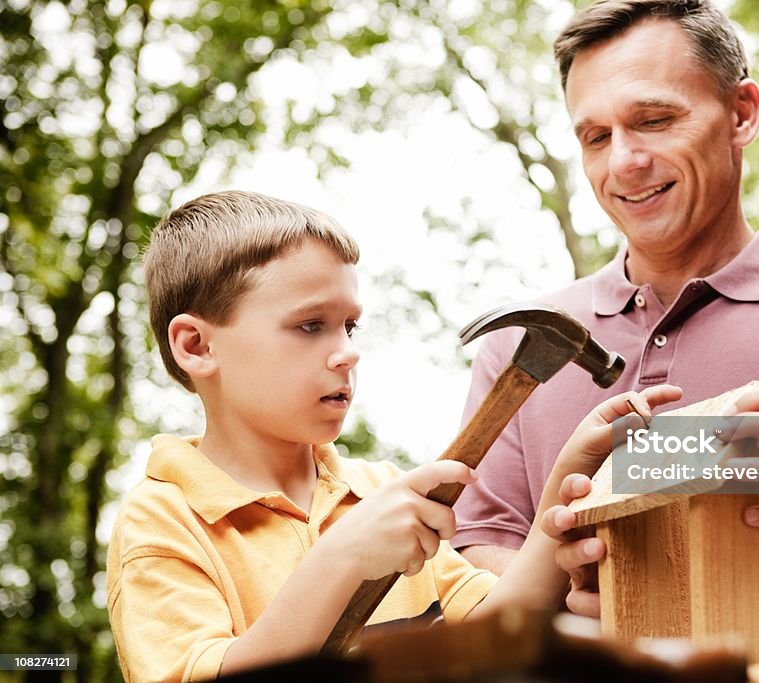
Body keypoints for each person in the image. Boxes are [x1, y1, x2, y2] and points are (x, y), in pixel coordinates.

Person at [105, 190, 684, 681]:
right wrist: (343, 557)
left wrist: (564, 484)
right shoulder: (162, 523)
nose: (348, 352)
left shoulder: (378, 492)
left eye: (350, 325)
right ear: (197, 346)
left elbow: (488, 633)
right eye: (310, 325)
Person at [453, 0, 759, 584]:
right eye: (595, 136)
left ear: (741, 113)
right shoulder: (517, 353)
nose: (624, 161)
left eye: (655, 120)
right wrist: (576, 620)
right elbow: (477, 549)